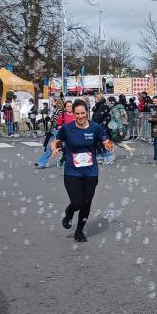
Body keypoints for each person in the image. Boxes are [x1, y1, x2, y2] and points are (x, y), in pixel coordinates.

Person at [51, 99, 113, 243]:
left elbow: (105, 141)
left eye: (83, 113)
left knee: (86, 202)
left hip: (91, 172)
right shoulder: (67, 128)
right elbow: (56, 141)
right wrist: (54, 148)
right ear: (73, 113)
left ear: (87, 113)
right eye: (77, 114)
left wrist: (108, 145)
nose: (80, 116)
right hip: (72, 171)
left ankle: (79, 231)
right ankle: (69, 211)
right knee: (77, 202)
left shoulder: (95, 128)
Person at [36, 99, 72, 168]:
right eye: (68, 106)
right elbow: (57, 125)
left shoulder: (74, 115)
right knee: (51, 147)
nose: (69, 107)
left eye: (71, 106)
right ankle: (42, 163)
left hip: (70, 135)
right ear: (65, 107)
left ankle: (62, 160)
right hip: (59, 133)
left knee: (66, 149)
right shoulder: (62, 115)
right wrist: (59, 127)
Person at [91, 93, 115, 165]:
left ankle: (108, 157)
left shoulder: (103, 106)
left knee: (104, 142)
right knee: (98, 143)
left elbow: (100, 117)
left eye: (96, 98)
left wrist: (100, 126)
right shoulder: (98, 106)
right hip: (98, 127)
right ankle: (100, 156)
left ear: (99, 98)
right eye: (95, 98)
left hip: (103, 127)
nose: (95, 99)